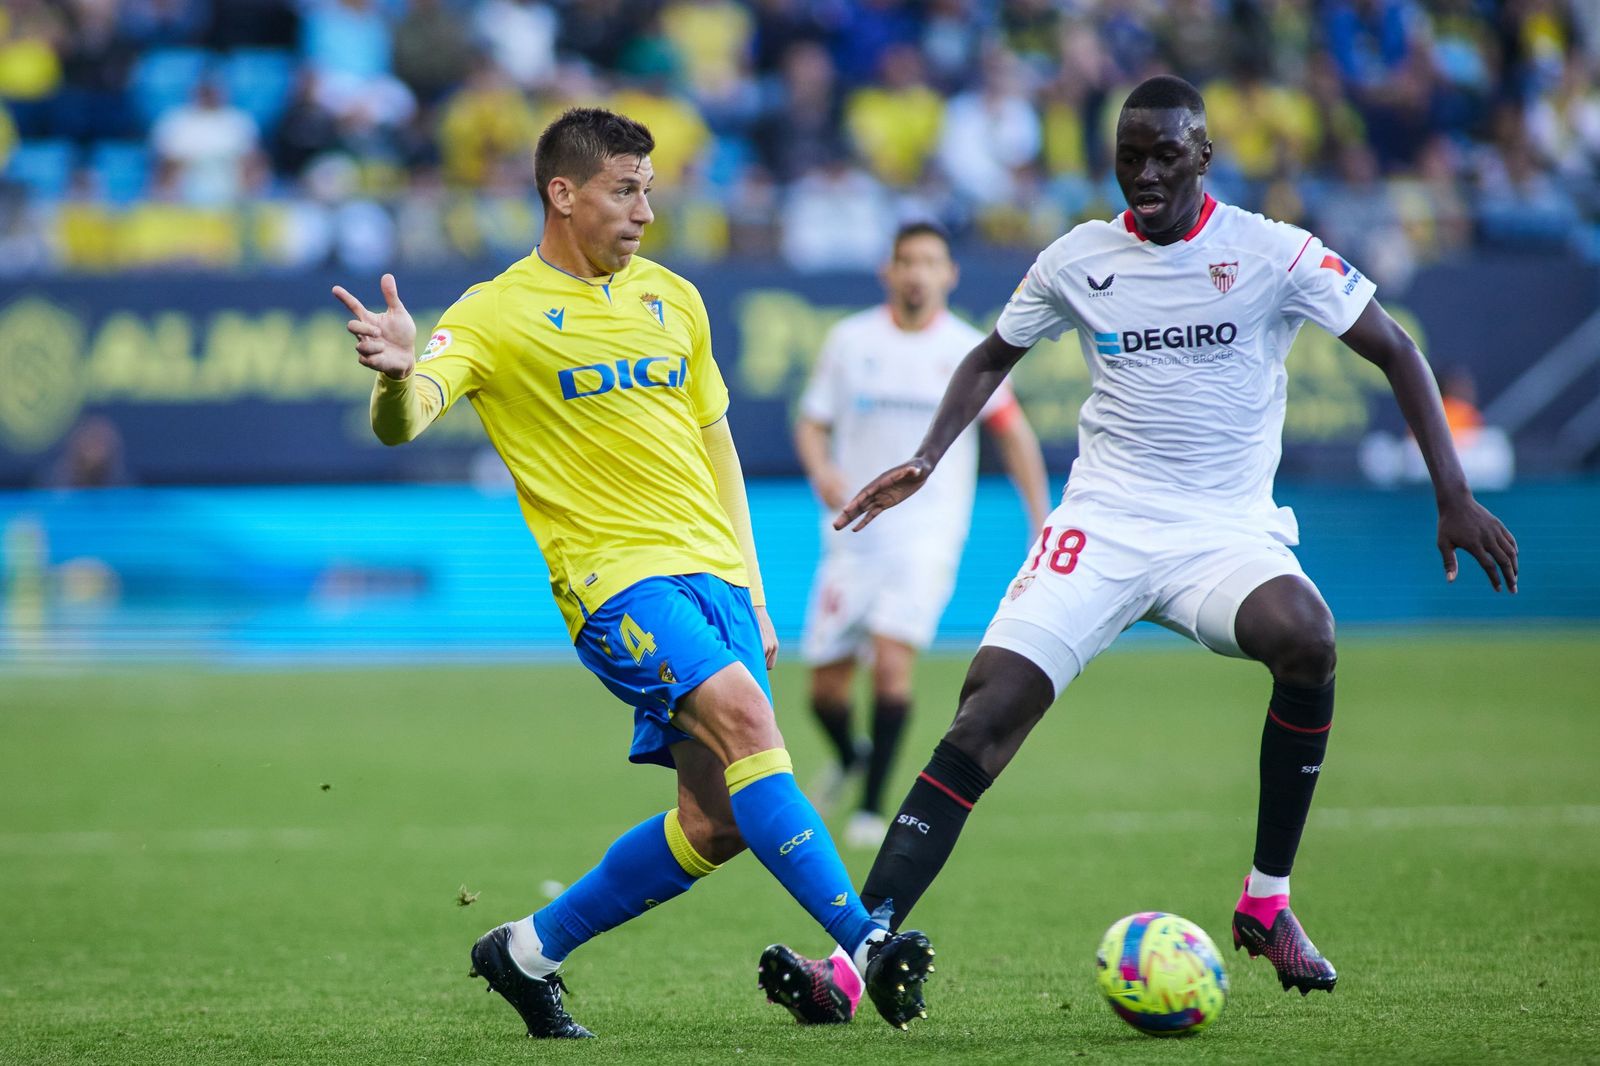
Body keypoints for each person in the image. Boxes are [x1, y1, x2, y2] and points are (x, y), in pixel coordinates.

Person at [756, 75, 1519, 1025]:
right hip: (1106, 520)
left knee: (1309, 638)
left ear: (1205, 155)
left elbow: (1397, 349)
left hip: (1223, 532)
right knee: (983, 714)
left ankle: (1267, 900)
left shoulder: (1272, 252)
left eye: (1166, 154)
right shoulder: (1079, 258)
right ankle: (851, 957)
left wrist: (1454, 495)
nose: (1146, 173)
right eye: (1130, 156)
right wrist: (924, 456)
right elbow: (994, 353)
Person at [331, 107, 934, 1038]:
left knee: (715, 822)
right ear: (561, 194)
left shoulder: (675, 298)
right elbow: (405, 420)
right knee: (747, 720)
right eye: (624, 190)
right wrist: (394, 373)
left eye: (649, 189)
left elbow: (716, 446)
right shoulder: (495, 312)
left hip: (716, 580)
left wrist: (756, 593)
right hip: (616, 583)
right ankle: (866, 941)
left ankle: (526, 950)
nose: (645, 210)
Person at [794, 221, 1049, 851]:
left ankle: (872, 808)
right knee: (823, 690)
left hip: (926, 537)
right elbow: (810, 421)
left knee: (890, 664)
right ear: (889, 271)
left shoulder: (969, 350)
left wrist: (1041, 520)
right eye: (906, 261)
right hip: (853, 537)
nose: (916, 273)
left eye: (929, 262)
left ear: (948, 274)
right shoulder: (850, 341)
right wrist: (824, 470)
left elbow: (1012, 434)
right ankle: (854, 753)